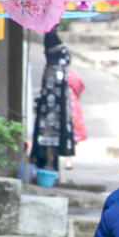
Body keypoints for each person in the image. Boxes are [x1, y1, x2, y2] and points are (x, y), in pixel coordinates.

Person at [30, 29, 75, 173]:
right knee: (50, 133)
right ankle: (49, 164)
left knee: (53, 132)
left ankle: (51, 164)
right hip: (52, 107)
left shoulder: (53, 65)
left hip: (57, 104)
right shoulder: (52, 42)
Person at [65, 66, 87, 170]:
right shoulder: (74, 74)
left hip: (59, 106)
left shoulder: (55, 72)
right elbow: (81, 89)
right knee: (71, 134)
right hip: (73, 104)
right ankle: (68, 161)